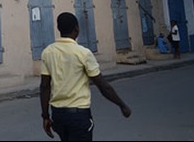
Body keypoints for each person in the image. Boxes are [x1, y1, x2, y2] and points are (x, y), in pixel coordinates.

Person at [40, 12, 131, 141]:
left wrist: (45, 116)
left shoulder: (48, 52)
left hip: (58, 115)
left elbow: (44, 86)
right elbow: (103, 86)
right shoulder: (83, 53)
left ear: (59, 29)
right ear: (76, 28)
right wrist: (122, 105)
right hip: (78, 115)